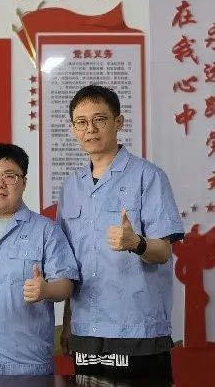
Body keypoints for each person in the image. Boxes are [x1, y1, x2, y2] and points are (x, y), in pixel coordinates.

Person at [58, 85, 184, 380]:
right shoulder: (71, 186)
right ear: (73, 129)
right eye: (81, 122)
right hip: (86, 329)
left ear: (118, 122)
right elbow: (68, 266)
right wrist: (68, 323)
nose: (90, 129)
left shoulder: (148, 176)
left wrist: (136, 243)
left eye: (99, 119)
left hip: (138, 329)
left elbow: (163, 251)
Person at [0, 143, 78, 375]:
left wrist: (46, 290)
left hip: (28, 365)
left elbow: (66, 285)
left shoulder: (46, 230)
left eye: (10, 176)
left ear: (24, 183)